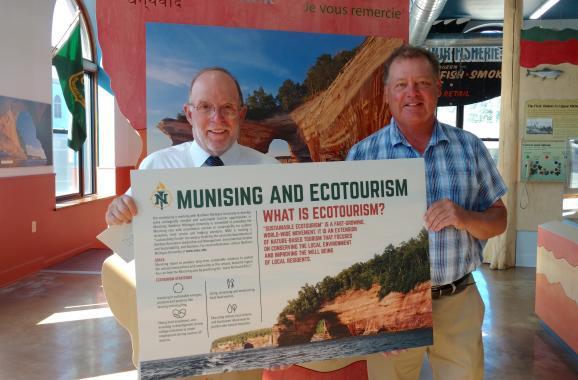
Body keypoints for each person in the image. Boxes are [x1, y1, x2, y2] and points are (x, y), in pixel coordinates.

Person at [344, 45, 508, 379]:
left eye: (422, 83)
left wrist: (464, 216)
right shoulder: (362, 156)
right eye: (401, 84)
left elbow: (499, 219)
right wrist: (373, 313)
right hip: (392, 306)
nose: (412, 93)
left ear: (438, 87)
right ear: (387, 92)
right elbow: (348, 244)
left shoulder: (470, 147)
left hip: (456, 301)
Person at [105, 67, 278, 225]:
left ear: (241, 115)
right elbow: (125, 234)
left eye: (228, 107)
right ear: (189, 114)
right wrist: (117, 215)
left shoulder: (272, 172)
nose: (217, 118)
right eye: (205, 107)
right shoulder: (155, 167)